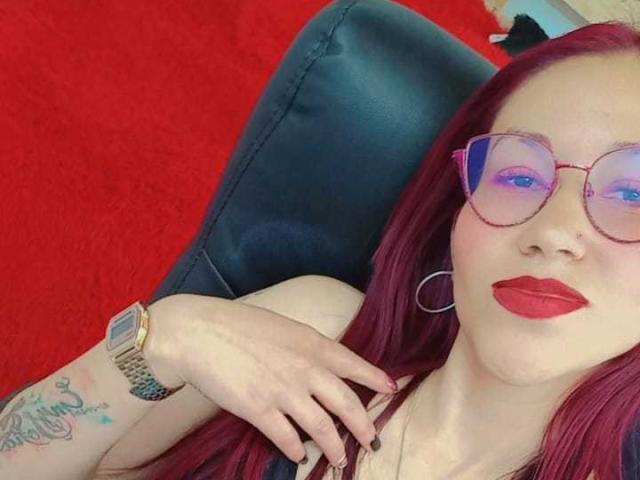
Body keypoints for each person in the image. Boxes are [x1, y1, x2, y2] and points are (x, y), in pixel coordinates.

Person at [3, 19, 640, 480]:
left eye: (633, 193)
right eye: (518, 176)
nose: (555, 232)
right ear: (457, 214)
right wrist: (164, 340)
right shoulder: (318, 328)